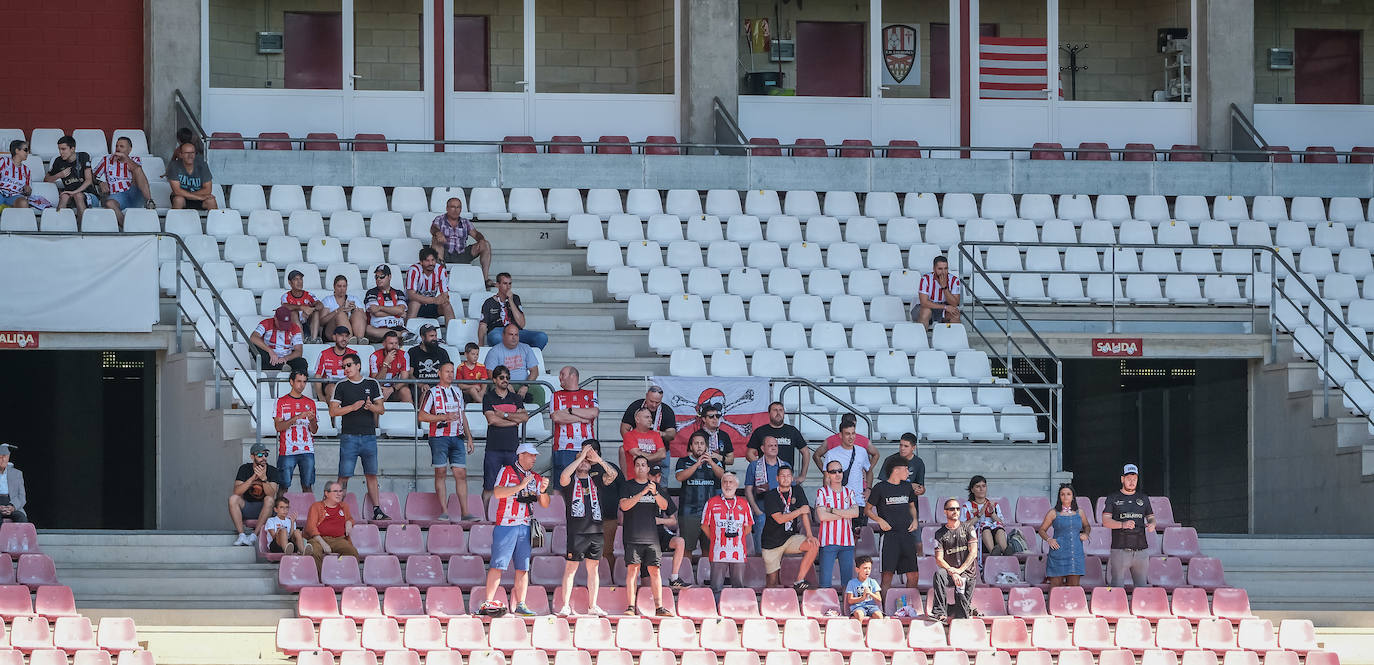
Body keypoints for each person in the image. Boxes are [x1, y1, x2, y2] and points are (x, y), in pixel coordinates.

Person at [480, 443, 549, 618]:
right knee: (498, 565)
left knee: (523, 567)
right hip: (506, 523)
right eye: (531, 455)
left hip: (525, 525)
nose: (534, 458)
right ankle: (488, 602)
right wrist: (520, 486)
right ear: (520, 455)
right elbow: (497, 493)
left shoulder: (535, 476)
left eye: (535, 456)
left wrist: (542, 490)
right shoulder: (506, 471)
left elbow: (545, 504)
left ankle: (520, 604)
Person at [556, 440, 618, 616]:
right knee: (571, 569)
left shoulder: (597, 479)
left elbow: (612, 474)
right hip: (577, 532)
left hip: (596, 531)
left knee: (594, 569)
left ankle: (592, 606)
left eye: (586, 461)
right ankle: (565, 606)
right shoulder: (570, 481)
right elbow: (563, 476)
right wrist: (581, 456)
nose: (584, 462)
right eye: (580, 460)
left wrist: (598, 460)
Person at [328, 352, 390, 521]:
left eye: (348, 365)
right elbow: (333, 411)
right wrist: (352, 407)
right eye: (343, 366)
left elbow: (381, 409)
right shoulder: (341, 385)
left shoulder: (372, 382)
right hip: (349, 436)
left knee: (371, 474)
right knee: (344, 475)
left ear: (358, 365)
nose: (345, 369)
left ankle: (377, 510)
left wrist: (370, 407)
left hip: (369, 435)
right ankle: (335, 510)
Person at [417, 361, 475, 523]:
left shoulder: (457, 392)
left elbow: (462, 415)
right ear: (439, 373)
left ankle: (465, 512)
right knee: (440, 473)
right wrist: (444, 417)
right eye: (447, 371)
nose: (450, 374)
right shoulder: (432, 392)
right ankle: (444, 511)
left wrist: (469, 437)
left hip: (457, 436)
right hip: (439, 437)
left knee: (460, 474)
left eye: (452, 371)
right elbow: (421, 416)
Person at [619, 456, 674, 617]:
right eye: (637, 465)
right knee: (633, 571)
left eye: (644, 465)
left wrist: (654, 492)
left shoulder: (656, 487)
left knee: (655, 571)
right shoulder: (628, 486)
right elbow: (624, 506)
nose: (641, 468)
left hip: (652, 537)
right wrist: (642, 493)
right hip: (632, 536)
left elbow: (665, 506)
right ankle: (630, 606)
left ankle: (659, 607)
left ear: (648, 469)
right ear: (634, 468)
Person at [671, 432, 721, 588]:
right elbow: (680, 477)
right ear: (691, 447)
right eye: (696, 443)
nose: (699, 446)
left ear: (706, 446)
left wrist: (711, 463)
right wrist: (696, 465)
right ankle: (685, 577)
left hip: (710, 513)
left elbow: (723, 476)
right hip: (689, 512)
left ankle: (706, 578)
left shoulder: (714, 462)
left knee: (708, 548)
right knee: (687, 548)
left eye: (702, 443)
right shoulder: (683, 461)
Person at [866, 458, 921, 593]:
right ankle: (885, 609)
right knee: (887, 576)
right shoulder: (880, 487)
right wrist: (879, 520)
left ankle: (909, 607)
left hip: (907, 536)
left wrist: (915, 519)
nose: (908, 472)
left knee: (913, 575)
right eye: (906, 469)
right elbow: (867, 510)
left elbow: (912, 506)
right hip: (889, 537)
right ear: (896, 469)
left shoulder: (907, 487)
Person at [481, 365, 529, 518]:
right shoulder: (488, 397)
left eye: (507, 378)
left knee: (515, 485)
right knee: (489, 486)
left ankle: (512, 515)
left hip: (512, 448)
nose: (505, 380)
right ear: (494, 379)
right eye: (501, 377)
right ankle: (486, 517)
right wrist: (513, 421)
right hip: (493, 448)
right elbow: (492, 420)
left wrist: (505, 416)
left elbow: (524, 418)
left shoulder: (516, 398)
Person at [761, 462, 816, 590]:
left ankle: (799, 580)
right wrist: (799, 511)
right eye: (782, 476)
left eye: (788, 476)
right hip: (771, 542)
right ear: (777, 478)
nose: (785, 478)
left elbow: (805, 512)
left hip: (790, 538)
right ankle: (769, 606)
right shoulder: (770, 495)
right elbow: (780, 519)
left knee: (814, 544)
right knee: (772, 582)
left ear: (792, 478)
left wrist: (809, 535)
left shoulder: (797, 490)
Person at [1102, 464, 1155, 587]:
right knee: (1117, 586)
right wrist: (1122, 524)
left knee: (1141, 587)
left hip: (1141, 550)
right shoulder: (1113, 498)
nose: (1132, 482)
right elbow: (1105, 521)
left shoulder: (1143, 498)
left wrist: (1152, 524)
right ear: (1122, 479)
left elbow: (1151, 517)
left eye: (1134, 479)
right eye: (1129, 479)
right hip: (1120, 549)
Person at [931, 498, 981, 623]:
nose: (955, 511)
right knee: (939, 574)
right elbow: (938, 559)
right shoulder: (940, 533)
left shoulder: (969, 528)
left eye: (957, 509)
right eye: (951, 509)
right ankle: (939, 613)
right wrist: (952, 572)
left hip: (967, 573)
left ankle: (967, 608)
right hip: (950, 573)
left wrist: (959, 571)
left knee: (961, 615)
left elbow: (973, 552)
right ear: (945, 512)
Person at [702, 472, 753, 593]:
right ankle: (716, 609)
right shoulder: (711, 502)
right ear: (721, 484)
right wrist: (716, 538)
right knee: (716, 587)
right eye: (725, 482)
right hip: (718, 551)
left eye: (731, 482)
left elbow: (748, 527)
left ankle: (736, 609)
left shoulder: (744, 503)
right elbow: (704, 526)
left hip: (738, 551)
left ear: (736, 485)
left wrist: (737, 538)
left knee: (738, 586)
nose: (728, 485)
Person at [815, 459, 860, 590]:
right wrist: (846, 513)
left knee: (848, 583)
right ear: (827, 474)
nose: (837, 474)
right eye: (833, 471)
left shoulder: (849, 491)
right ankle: (825, 608)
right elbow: (822, 516)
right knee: (825, 582)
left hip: (847, 542)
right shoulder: (822, 492)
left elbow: (856, 513)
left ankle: (848, 609)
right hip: (827, 542)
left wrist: (832, 510)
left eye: (840, 470)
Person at [430, 197, 493, 287]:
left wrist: (481, 239)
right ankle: (441, 275)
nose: (455, 210)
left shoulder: (465, 222)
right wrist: (438, 233)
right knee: (436, 239)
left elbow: (476, 234)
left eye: (458, 207)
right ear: (447, 208)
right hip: (445, 253)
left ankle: (485, 279)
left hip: (462, 253)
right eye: (453, 207)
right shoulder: (440, 219)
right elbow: (433, 228)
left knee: (485, 244)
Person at [821, 418, 872, 528]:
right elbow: (826, 478)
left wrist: (868, 489)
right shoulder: (831, 454)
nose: (851, 437)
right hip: (838, 503)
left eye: (853, 433)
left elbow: (869, 470)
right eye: (847, 434)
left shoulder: (862, 451)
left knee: (859, 538)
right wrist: (828, 498)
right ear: (840, 435)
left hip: (858, 501)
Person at [274, 370, 319, 493]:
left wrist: (312, 420)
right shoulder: (281, 402)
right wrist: (297, 417)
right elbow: (278, 427)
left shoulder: (310, 403)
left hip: (307, 450)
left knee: (308, 486)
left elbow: (314, 430)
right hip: (287, 450)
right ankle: (278, 512)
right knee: (283, 486)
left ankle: (311, 513)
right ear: (291, 382)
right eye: (299, 381)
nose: (302, 385)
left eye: (304, 382)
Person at [550, 366, 598, 478]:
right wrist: (581, 418)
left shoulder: (590, 394)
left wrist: (570, 411)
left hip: (587, 448)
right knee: (562, 483)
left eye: (562, 374)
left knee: (587, 482)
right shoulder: (556, 395)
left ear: (573, 376)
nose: (559, 377)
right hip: (563, 447)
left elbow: (593, 412)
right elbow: (556, 416)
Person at [1038, 483, 1090, 588]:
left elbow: (1087, 526)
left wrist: (1086, 534)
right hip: (1058, 554)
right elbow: (1042, 530)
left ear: (1073, 496)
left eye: (1068, 494)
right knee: (1056, 589)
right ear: (1059, 497)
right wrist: (1049, 539)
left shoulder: (1080, 512)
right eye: (1062, 494)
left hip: (1075, 555)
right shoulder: (1053, 513)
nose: (1065, 497)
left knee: (1074, 589)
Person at [479, 273, 548, 349]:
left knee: (542, 337)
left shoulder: (515, 298)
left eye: (510, 284)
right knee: (496, 337)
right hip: (498, 331)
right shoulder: (489, 302)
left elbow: (522, 324)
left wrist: (511, 301)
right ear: (498, 285)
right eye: (505, 283)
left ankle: (527, 358)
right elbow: (483, 326)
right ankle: (508, 357)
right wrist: (480, 346)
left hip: (516, 331)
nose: (508, 287)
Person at [229, 442, 279, 545]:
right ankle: (242, 535)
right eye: (260, 455)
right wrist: (252, 478)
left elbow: (271, 494)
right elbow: (237, 491)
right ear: (252, 456)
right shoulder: (244, 469)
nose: (263, 457)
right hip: (248, 506)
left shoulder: (272, 471)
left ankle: (254, 536)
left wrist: (264, 479)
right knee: (233, 499)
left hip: (265, 509)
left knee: (269, 499)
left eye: (265, 455)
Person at [95, 136, 155, 222]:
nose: (118, 149)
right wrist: (100, 182)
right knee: (109, 203)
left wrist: (125, 157)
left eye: (121, 146)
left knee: (137, 170)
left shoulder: (135, 160)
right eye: (116, 146)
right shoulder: (106, 160)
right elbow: (92, 176)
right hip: (117, 196)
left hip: (134, 193)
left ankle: (150, 202)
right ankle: (126, 227)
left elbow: (137, 170)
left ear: (129, 149)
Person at [648, 464, 688, 589]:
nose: (656, 478)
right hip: (643, 535)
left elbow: (673, 521)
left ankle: (674, 578)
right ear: (647, 475)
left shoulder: (662, 492)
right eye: (653, 475)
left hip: (659, 533)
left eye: (659, 476)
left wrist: (658, 521)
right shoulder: (638, 489)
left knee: (680, 541)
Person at [746, 401, 808, 482]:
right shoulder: (760, 431)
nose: (778, 413)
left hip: (786, 478)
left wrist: (802, 476)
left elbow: (806, 452)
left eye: (781, 410)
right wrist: (762, 468)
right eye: (775, 410)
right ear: (769, 413)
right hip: (765, 478)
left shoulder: (792, 431)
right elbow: (749, 453)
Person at [305, 481, 360, 571]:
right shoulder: (316, 506)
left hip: (338, 539)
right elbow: (311, 528)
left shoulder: (344, 506)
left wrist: (349, 522)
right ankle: (319, 579)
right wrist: (324, 544)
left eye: (340, 491)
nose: (339, 494)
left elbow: (350, 518)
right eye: (335, 491)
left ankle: (341, 575)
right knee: (315, 551)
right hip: (318, 539)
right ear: (326, 493)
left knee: (352, 552)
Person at [485, 324, 543, 404]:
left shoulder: (526, 348)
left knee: (539, 391)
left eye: (516, 335)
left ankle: (535, 416)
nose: (514, 338)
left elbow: (534, 371)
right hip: (501, 383)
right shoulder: (494, 351)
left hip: (523, 384)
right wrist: (505, 384)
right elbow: (490, 373)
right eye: (511, 334)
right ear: (503, 335)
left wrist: (526, 386)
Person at [744, 436, 783, 552]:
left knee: (779, 547)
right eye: (770, 445)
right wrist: (757, 511)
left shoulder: (784, 466)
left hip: (780, 511)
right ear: (762, 448)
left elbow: (789, 489)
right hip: (761, 511)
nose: (773, 448)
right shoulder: (754, 466)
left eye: (775, 445)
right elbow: (748, 490)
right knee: (761, 548)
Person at [620, 386, 677, 460]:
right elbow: (624, 428)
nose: (654, 405)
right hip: (636, 448)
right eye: (651, 401)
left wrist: (662, 434)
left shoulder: (667, 411)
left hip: (658, 452)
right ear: (646, 396)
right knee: (622, 450)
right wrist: (631, 445)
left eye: (657, 402)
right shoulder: (635, 407)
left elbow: (672, 434)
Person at [815, 413, 880, 476]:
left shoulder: (863, 440)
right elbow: (816, 456)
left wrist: (868, 470)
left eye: (852, 426)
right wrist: (827, 473)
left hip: (859, 483)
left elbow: (876, 454)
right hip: (838, 483)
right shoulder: (830, 440)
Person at [45, 136, 96, 214]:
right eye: (59, 149)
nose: (61, 152)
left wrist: (74, 192)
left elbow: (89, 180)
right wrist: (59, 175)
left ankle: (83, 225)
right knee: (64, 196)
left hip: (89, 195)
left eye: (63, 149)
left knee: (78, 196)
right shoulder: (58, 161)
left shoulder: (83, 156)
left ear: (72, 149)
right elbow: (46, 179)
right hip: (70, 195)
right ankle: (59, 223)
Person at [961, 475, 1009, 556]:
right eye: (978, 486)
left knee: (999, 528)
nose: (981, 489)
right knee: (985, 528)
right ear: (972, 490)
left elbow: (1002, 524)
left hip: (996, 539)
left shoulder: (994, 505)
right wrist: (978, 515)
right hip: (977, 541)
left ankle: (1006, 552)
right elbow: (963, 527)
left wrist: (992, 514)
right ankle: (993, 553)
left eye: (984, 486)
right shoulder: (967, 506)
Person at [251, 306, 307, 374]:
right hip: (269, 357)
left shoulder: (295, 327)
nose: (283, 327)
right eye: (281, 324)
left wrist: (286, 358)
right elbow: (253, 337)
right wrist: (270, 351)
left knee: (302, 362)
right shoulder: (266, 323)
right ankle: (281, 367)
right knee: (253, 346)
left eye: (286, 324)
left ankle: (283, 367)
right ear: (275, 318)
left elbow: (299, 351)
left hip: (287, 358)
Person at [406, 247, 456, 322]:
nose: (431, 263)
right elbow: (411, 295)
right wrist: (433, 300)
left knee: (446, 304)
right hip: (414, 304)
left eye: (433, 260)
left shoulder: (440, 270)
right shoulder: (414, 270)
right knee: (415, 303)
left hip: (431, 305)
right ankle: (408, 331)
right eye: (427, 261)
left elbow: (445, 294)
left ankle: (453, 331)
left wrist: (441, 299)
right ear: (421, 262)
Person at [364, 265, 411, 343]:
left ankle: (401, 335)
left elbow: (400, 310)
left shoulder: (399, 293)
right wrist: (396, 313)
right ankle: (402, 335)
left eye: (382, 276)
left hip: (398, 327)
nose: (378, 279)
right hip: (379, 329)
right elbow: (375, 312)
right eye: (376, 277)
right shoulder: (371, 292)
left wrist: (380, 308)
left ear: (389, 277)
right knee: (367, 329)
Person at [407, 323, 451, 406]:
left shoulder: (442, 352)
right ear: (423, 337)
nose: (434, 338)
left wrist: (438, 386)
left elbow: (448, 373)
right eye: (431, 336)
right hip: (418, 387)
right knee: (426, 394)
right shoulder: (413, 352)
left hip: (439, 386)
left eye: (435, 335)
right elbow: (409, 374)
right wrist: (421, 384)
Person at [167, 142, 218, 210]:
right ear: (181, 155)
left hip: (197, 197)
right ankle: (175, 220)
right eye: (186, 153)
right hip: (183, 198)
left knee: (211, 201)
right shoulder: (174, 166)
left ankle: (216, 221)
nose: (190, 155)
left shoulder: (203, 165)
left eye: (192, 153)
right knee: (179, 200)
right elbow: (177, 191)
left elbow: (208, 190)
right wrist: (197, 197)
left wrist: (190, 195)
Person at [314, 326, 358, 404]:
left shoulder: (354, 354)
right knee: (332, 388)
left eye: (346, 336)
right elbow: (318, 375)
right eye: (341, 335)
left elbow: (357, 375)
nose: (344, 339)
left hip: (348, 384)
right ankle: (334, 415)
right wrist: (320, 396)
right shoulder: (324, 354)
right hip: (329, 384)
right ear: (334, 337)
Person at [913, 255, 962, 326]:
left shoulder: (954, 280)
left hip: (944, 307)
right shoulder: (925, 279)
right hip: (927, 307)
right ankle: (921, 336)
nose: (943, 272)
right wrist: (945, 307)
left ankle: (952, 336)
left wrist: (944, 288)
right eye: (940, 269)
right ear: (934, 269)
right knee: (925, 312)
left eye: (945, 268)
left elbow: (954, 303)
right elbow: (924, 303)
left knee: (955, 314)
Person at [370, 330, 413, 405]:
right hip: (380, 389)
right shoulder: (374, 356)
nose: (394, 346)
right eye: (391, 343)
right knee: (378, 394)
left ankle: (412, 416)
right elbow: (376, 382)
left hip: (395, 389)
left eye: (396, 343)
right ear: (384, 344)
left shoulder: (404, 355)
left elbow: (405, 379)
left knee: (405, 391)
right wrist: (385, 364)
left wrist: (391, 389)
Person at [321, 275, 367, 342]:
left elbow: (365, 318)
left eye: (344, 286)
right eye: (339, 286)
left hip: (354, 332)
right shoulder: (328, 300)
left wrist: (354, 309)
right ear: (334, 287)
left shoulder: (354, 299)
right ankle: (349, 339)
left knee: (358, 313)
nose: (342, 289)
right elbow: (322, 322)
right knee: (341, 314)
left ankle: (359, 339)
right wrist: (338, 310)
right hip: (332, 332)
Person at [281, 270, 324, 343]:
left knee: (316, 312)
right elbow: (285, 306)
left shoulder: (309, 294)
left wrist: (311, 309)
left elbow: (320, 305)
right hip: (293, 326)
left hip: (307, 324)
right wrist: (302, 308)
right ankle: (301, 341)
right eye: (295, 279)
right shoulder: (286, 296)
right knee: (293, 313)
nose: (299, 282)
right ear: (289, 282)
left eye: (300, 279)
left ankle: (313, 340)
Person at [627, 407, 670, 478]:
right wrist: (655, 455)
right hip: (636, 474)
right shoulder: (629, 435)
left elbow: (662, 454)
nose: (650, 420)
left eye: (650, 417)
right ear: (637, 419)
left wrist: (642, 457)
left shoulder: (656, 434)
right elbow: (634, 453)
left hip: (653, 473)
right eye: (647, 417)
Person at [885, 433, 928, 498]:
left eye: (906, 446)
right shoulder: (890, 460)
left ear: (913, 447)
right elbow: (884, 485)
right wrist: (909, 486)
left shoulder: (919, 462)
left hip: (910, 501)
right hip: (891, 501)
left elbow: (920, 485)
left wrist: (921, 490)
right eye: (901, 445)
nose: (902, 448)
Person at [845, 556, 884, 620]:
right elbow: (850, 600)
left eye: (869, 568)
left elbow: (879, 599)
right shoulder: (851, 583)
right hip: (858, 607)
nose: (867, 571)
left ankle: (876, 630)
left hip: (872, 607)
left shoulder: (873, 582)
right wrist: (862, 598)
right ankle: (858, 630)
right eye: (865, 568)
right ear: (857, 569)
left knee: (879, 616)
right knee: (859, 614)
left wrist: (870, 593)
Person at [0, 444, 29, 524]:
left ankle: (18, 537)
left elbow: (22, 496)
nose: (2, 460)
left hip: (12, 502)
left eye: (5, 457)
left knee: (21, 518)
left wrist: (12, 507)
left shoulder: (17, 474)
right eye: (0, 457)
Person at [0, 141, 33, 209]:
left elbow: (28, 192)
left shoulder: (26, 170)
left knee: (23, 202)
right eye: (25, 150)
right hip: (0, 192)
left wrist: (27, 190)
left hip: (15, 196)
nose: (28, 152)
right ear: (17, 151)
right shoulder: (3, 161)